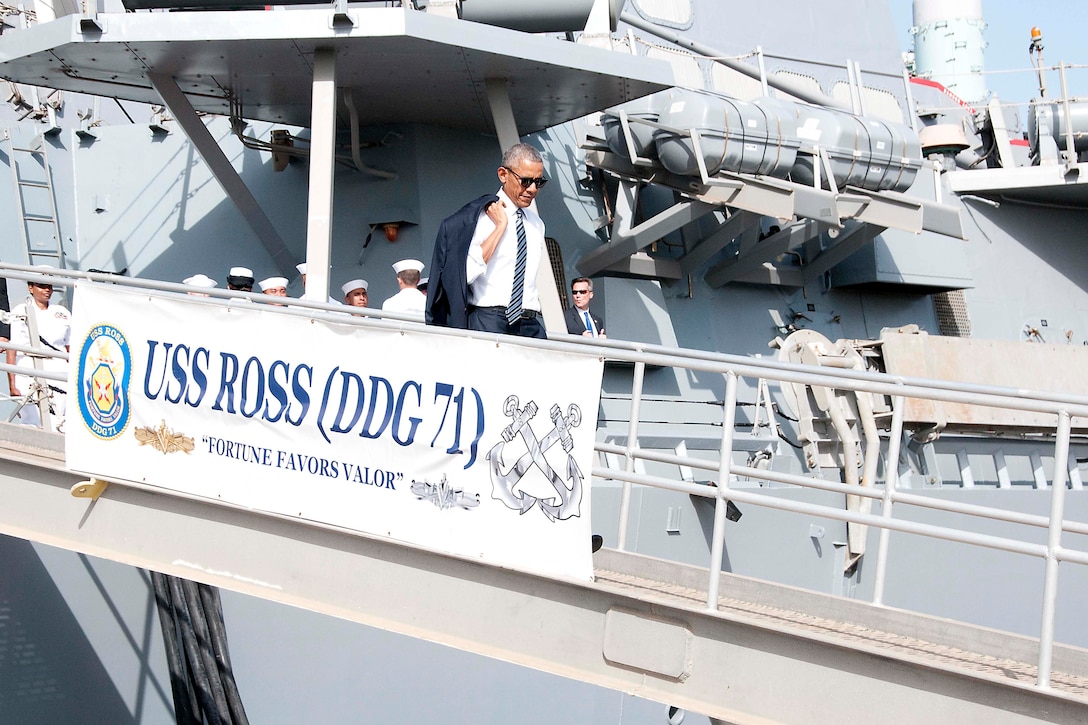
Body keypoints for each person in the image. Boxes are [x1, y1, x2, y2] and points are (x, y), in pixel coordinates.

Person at [426, 143, 549, 339]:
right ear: (503, 175)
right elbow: (462, 275)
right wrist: (500, 227)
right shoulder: (480, 218)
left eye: (539, 182)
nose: (533, 189)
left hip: (529, 323)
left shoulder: (536, 223)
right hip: (490, 319)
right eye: (525, 181)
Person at [6, 276, 70, 429]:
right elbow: (12, 348)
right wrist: (12, 384)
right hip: (29, 367)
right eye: (41, 286)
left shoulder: (62, 312)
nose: (47, 290)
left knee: (61, 418)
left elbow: (69, 348)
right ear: (31, 288)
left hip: (59, 368)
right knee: (32, 419)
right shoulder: (21, 311)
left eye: (49, 286)